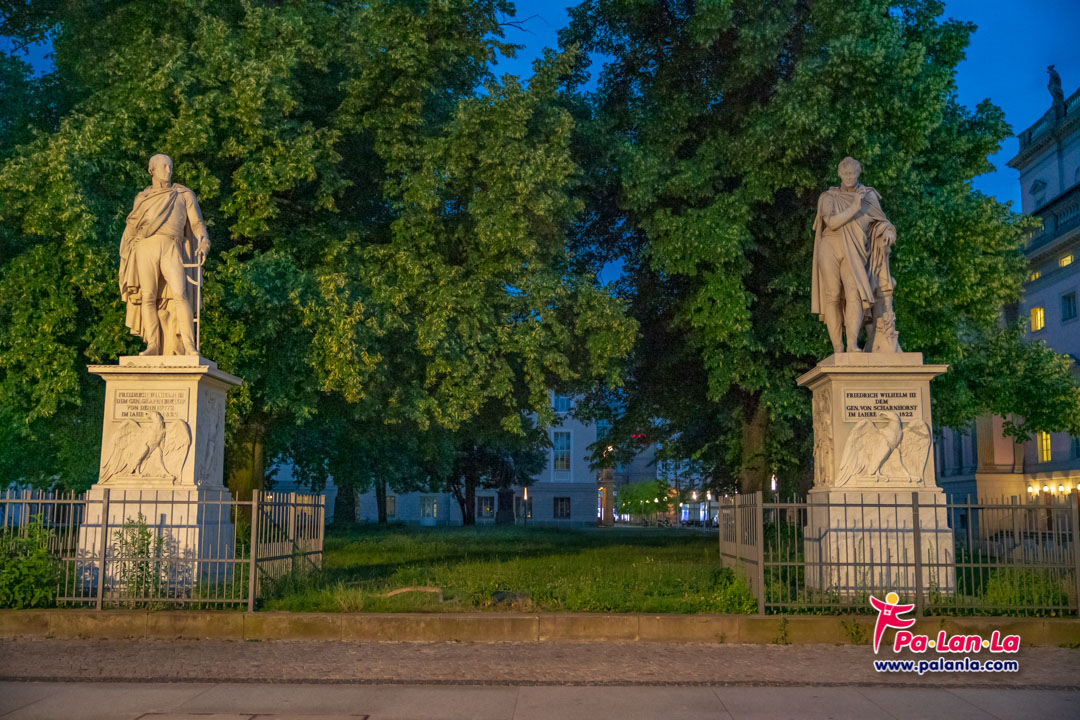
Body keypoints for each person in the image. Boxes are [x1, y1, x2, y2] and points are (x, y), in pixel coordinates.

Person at [118, 154, 209, 356]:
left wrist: (204, 241)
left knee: (179, 293)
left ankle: (189, 346)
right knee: (148, 296)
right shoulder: (142, 198)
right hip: (146, 247)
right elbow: (131, 229)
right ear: (152, 170)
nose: (169, 171)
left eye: (170, 167)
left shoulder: (183, 195)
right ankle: (153, 345)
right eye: (164, 167)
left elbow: (196, 223)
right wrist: (131, 250)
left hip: (171, 245)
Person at [811, 157, 898, 354]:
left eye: (853, 173)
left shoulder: (868, 196)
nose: (849, 177)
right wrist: (854, 207)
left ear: (858, 174)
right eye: (846, 173)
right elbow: (832, 223)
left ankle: (852, 345)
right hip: (830, 246)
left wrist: (890, 231)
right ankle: (838, 348)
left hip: (856, 248)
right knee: (832, 295)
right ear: (840, 174)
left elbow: (881, 221)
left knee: (854, 294)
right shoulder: (828, 197)